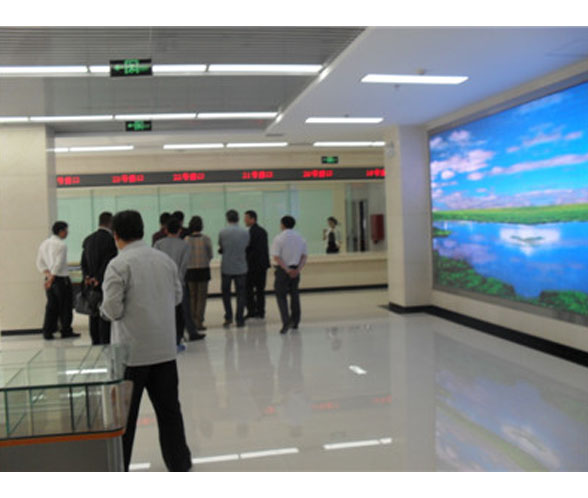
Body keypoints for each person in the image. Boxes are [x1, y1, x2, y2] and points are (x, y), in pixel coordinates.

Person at [100, 210, 192, 472]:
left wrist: (103, 310)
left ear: (116, 235)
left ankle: (119, 466)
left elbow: (112, 309)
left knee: (124, 418)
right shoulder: (164, 260)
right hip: (164, 350)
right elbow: (176, 297)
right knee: (169, 411)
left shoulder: (118, 264)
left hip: (131, 354)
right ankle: (179, 463)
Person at [154, 217, 194, 350]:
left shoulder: (158, 244)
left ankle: (164, 339)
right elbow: (183, 266)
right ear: (180, 230)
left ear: (166, 230)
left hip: (161, 283)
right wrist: (178, 282)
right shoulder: (185, 245)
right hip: (178, 284)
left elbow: (155, 263)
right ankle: (177, 340)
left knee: (163, 312)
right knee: (179, 312)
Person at [36, 221, 79, 340]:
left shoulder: (44, 244)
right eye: (66, 230)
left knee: (51, 306)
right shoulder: (61, 245)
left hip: (49, 277)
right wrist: (52, 277)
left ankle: (48, 331)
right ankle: (66, 330)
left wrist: (48, 276)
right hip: (61, 279)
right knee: (65, 306)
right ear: (61, 231)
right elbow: (58, 264)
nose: (67, 233)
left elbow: (39, 262)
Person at [81, 211, 118, 345]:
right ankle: (104, 342)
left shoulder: (88, 239)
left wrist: (87, 276)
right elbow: (108, 262)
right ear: (110, 223)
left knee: (93, 313)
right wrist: (98, 278)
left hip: (91, 284)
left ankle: (95, 340)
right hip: (104, 282)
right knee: (104, 313)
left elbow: (83, 261)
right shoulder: (110, 240)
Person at [271, 215, 308, 334]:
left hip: (283, 271)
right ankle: (295, 321)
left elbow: (276, 257)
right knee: (294, 295)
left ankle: (286, 322)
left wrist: (287, 270)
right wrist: (297, 270)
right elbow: (304, 256)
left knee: (281, 297)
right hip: (296, 269)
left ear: (282, 224)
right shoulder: (300, 238)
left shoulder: (279, 238)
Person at [218, 209, 250, 328]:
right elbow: (247, 245)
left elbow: (221, 246)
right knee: (241, 294)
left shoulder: (223, 232)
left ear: (227, 219)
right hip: (241, 267)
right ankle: (240, 319)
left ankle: (228, 317)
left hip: (226, 267)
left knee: (226, 293)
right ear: (238, 218)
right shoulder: (245, 232)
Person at [185, 216, 212, 336]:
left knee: (192, 297)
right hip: (203, 270)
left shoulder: (186, 239)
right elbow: (210, 255)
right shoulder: (206, 239)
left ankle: (191, 322)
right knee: (202, 297)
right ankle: (199, 321)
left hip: (190, 271)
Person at [244, 210, 270, 320]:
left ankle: (251, 311)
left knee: (249, 289)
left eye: (246, 218)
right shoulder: (262, 231)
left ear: (252, 219)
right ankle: (261, 311)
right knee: (260, 290)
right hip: (262, 266)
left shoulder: (250, 233)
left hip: (251, 265)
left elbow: (249, 249)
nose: (244, 220)